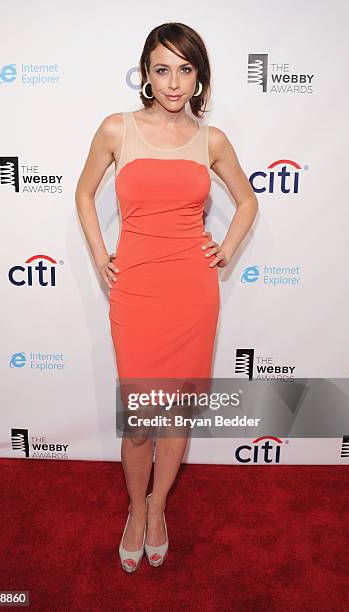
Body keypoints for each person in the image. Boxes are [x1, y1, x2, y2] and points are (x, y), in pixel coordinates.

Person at [75, 22, 258, 572]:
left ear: (199, 76)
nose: (173, 82)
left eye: (185, 69)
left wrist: (224, 248)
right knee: (139, 419)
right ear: (145, 74)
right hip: (135, 289)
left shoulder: (213, 139)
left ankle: (157, 508)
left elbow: (247, 201)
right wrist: (100, 253)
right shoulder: (116, 129)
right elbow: (84, 194)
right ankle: (135, 508)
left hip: (192, 291)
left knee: (175, 416)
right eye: (162, 69)